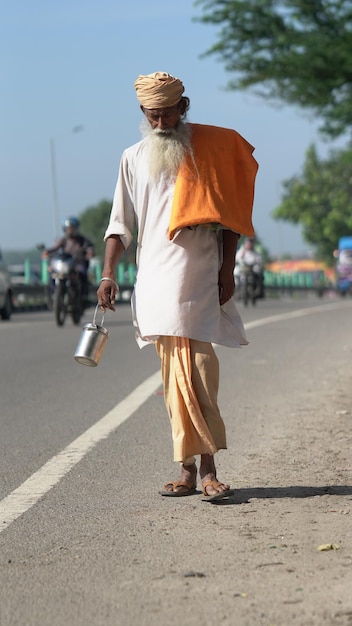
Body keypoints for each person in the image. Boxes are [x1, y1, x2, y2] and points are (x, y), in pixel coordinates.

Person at [97, 71, 258, 500]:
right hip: (154, 279)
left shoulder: (209, 152)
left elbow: (230, 216)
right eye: (154, 116)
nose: (163, 123)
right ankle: (190, 470)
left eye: (169, 114)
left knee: (201, 370)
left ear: (183, 108)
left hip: (202, 274)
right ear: (142, 113)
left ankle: (207, 468)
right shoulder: (131, 158)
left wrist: (228, 270)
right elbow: (119, 226)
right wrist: (108, 274)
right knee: (174, 376)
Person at [42, 217, 95, 302]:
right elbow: (55, 247)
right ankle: (53, 294)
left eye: (72, 228)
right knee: (52, 274)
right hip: (66, 263)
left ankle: (84, 295)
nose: (70, 231)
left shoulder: (82, 240)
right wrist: (47, 252)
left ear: (76, 228)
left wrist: (89, 253)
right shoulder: (63, 240)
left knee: (82, 273)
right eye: (68, 229)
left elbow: (89, 248)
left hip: (77, 263)